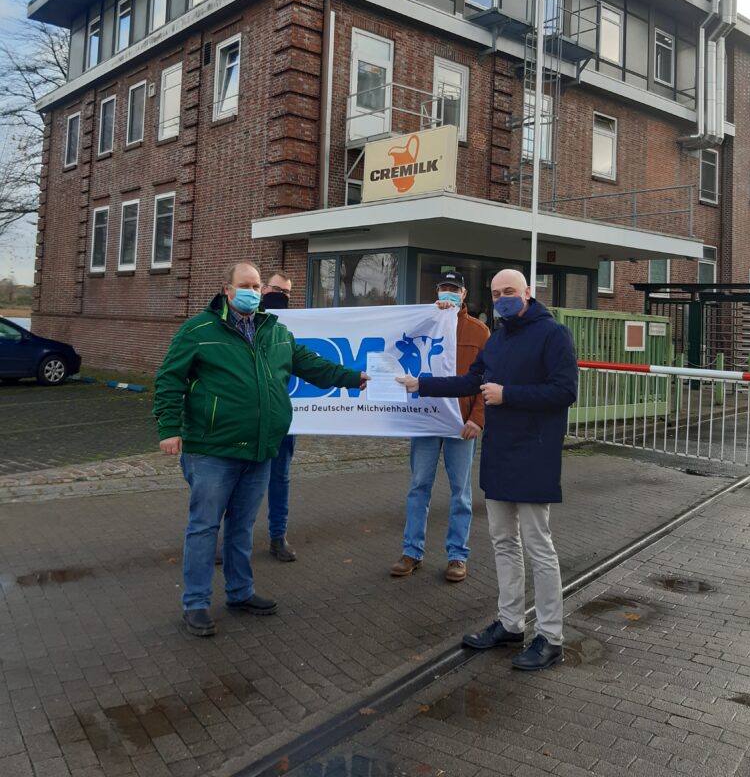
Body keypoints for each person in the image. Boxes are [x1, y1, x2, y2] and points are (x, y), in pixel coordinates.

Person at [154, 261, 368, 637]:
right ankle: (197, 602)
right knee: (204, 527)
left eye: (257, 285)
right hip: (211, 450)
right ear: (228, 289)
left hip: (260, 449)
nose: (254, 291)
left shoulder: (276, 332)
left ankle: (240, 592)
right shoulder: (198, 330)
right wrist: (170, 428)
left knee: (242, 526)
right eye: (247, 284)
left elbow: (311, 364)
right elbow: (169, 379)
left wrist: (352, 377)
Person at [397, 269, 578, 671]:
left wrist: (507, 395)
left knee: (538, 545)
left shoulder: (553, 335)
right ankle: (511, 624)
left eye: (509, 291)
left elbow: (566, 391)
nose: (502, 299)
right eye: (496, 294)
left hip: (534, 454)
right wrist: (420, 385)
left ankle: (551, 635)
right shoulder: (497, 340)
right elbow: (470, 381)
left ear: (528, 292)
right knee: (502, 541)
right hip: (499, 453)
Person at [390, 270, 489, 583]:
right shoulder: (425, 321)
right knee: (419, 486)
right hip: (427, 419)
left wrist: (477, 417)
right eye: (444, 289)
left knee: (460, 493)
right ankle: (411, 552)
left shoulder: (479, 331)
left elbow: (487, 379)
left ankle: (457, 556)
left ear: (463, 295)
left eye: (454, 289)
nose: (448, 294)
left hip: (461, 424)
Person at [260, 271, 298, 562]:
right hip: (249, 418)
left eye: (286, 292)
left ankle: (278, 537)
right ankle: (228, 537)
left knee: (280, 478)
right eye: (276, 290)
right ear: (263, 289)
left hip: (283, 418)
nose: (280, 296)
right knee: (235, 481)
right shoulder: (244, 320)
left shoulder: (291, 327)